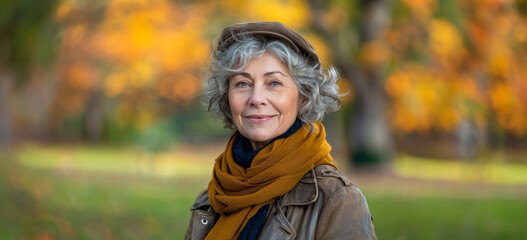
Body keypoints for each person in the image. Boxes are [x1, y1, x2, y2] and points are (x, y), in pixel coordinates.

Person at [185, 21, 377, 240]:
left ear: (304, 96)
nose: (256, 98)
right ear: (226, 97)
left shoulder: (336, 198)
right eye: (242, 83)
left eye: (274, 83)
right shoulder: (213, 197)